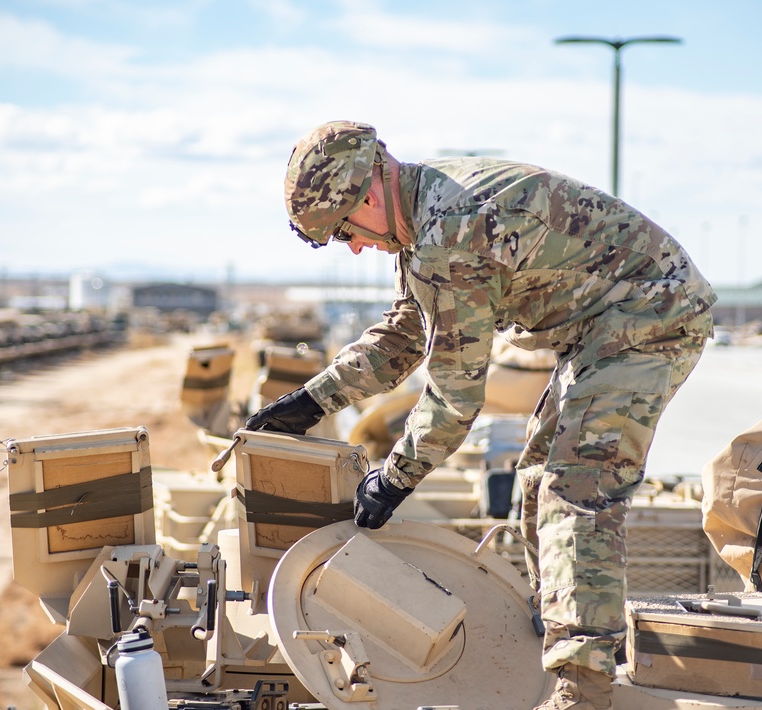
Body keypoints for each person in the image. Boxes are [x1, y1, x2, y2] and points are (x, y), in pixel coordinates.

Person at [245, 120, 716, 710]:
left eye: (346, 234)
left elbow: (456, 394)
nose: (358, 247)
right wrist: (314, 400)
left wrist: (395, 479)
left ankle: (583, 685)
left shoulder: (451, 231)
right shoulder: (421, 219)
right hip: (603, 332)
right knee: (538, 478)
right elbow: (405, 334)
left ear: (365, 193)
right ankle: (558, 642)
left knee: (578, 488)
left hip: (650, 319)